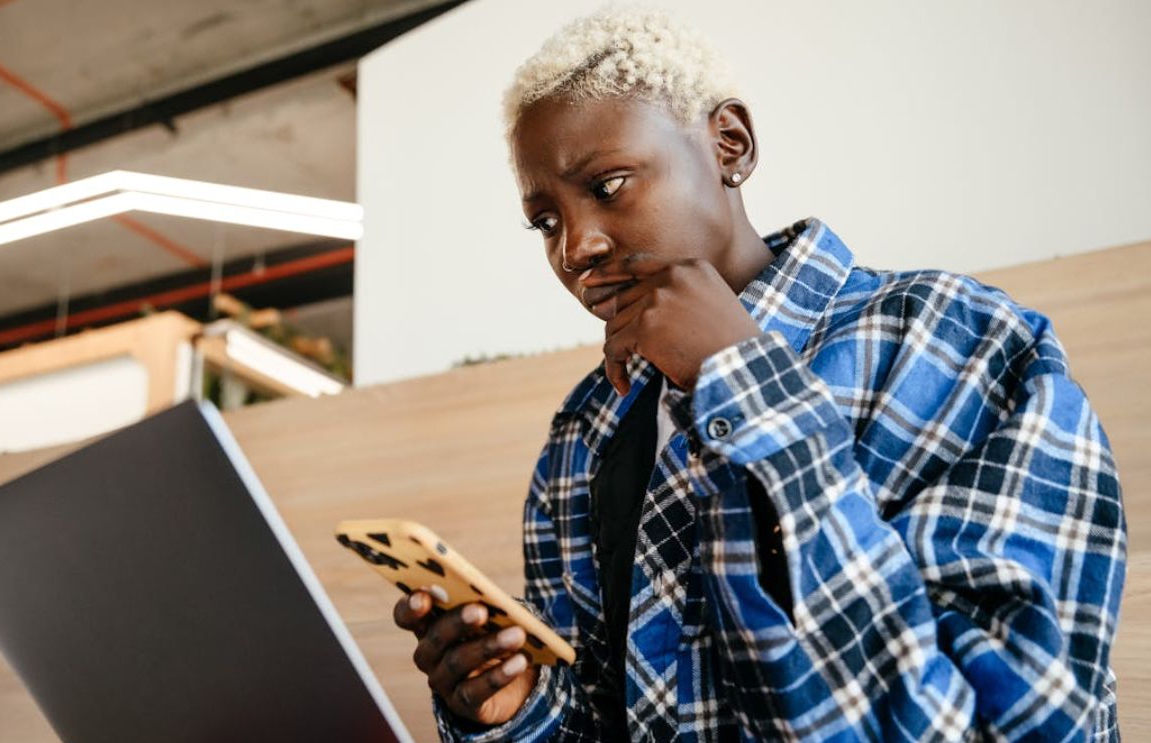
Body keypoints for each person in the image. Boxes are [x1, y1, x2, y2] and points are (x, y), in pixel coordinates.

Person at [393, 6, 1126, 741]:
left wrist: (745, 383)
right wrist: (517, 710)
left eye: (609, 185)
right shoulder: (586, 430)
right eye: (546, 221)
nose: (575, 247)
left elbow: (1016, 722)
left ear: (729, 144)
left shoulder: (960, 341)